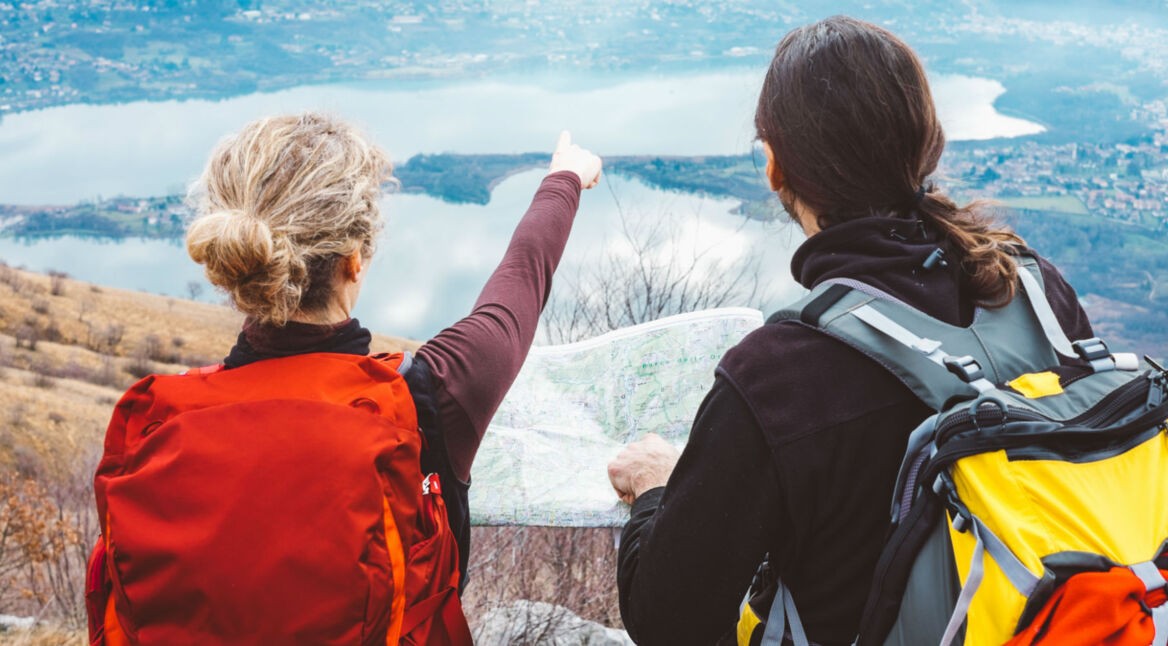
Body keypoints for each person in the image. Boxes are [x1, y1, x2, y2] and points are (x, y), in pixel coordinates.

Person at [607, 16, 1094, 646]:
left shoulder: (778, 380)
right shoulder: (1037, 294)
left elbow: (668, 621)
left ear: (775, 169)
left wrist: (655, 490)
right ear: (929, 145)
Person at [87, 113, 601, 644]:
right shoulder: (421, 399)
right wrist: (563, 179)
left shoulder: (157, 419)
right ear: (355, 260)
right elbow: (520, 280)